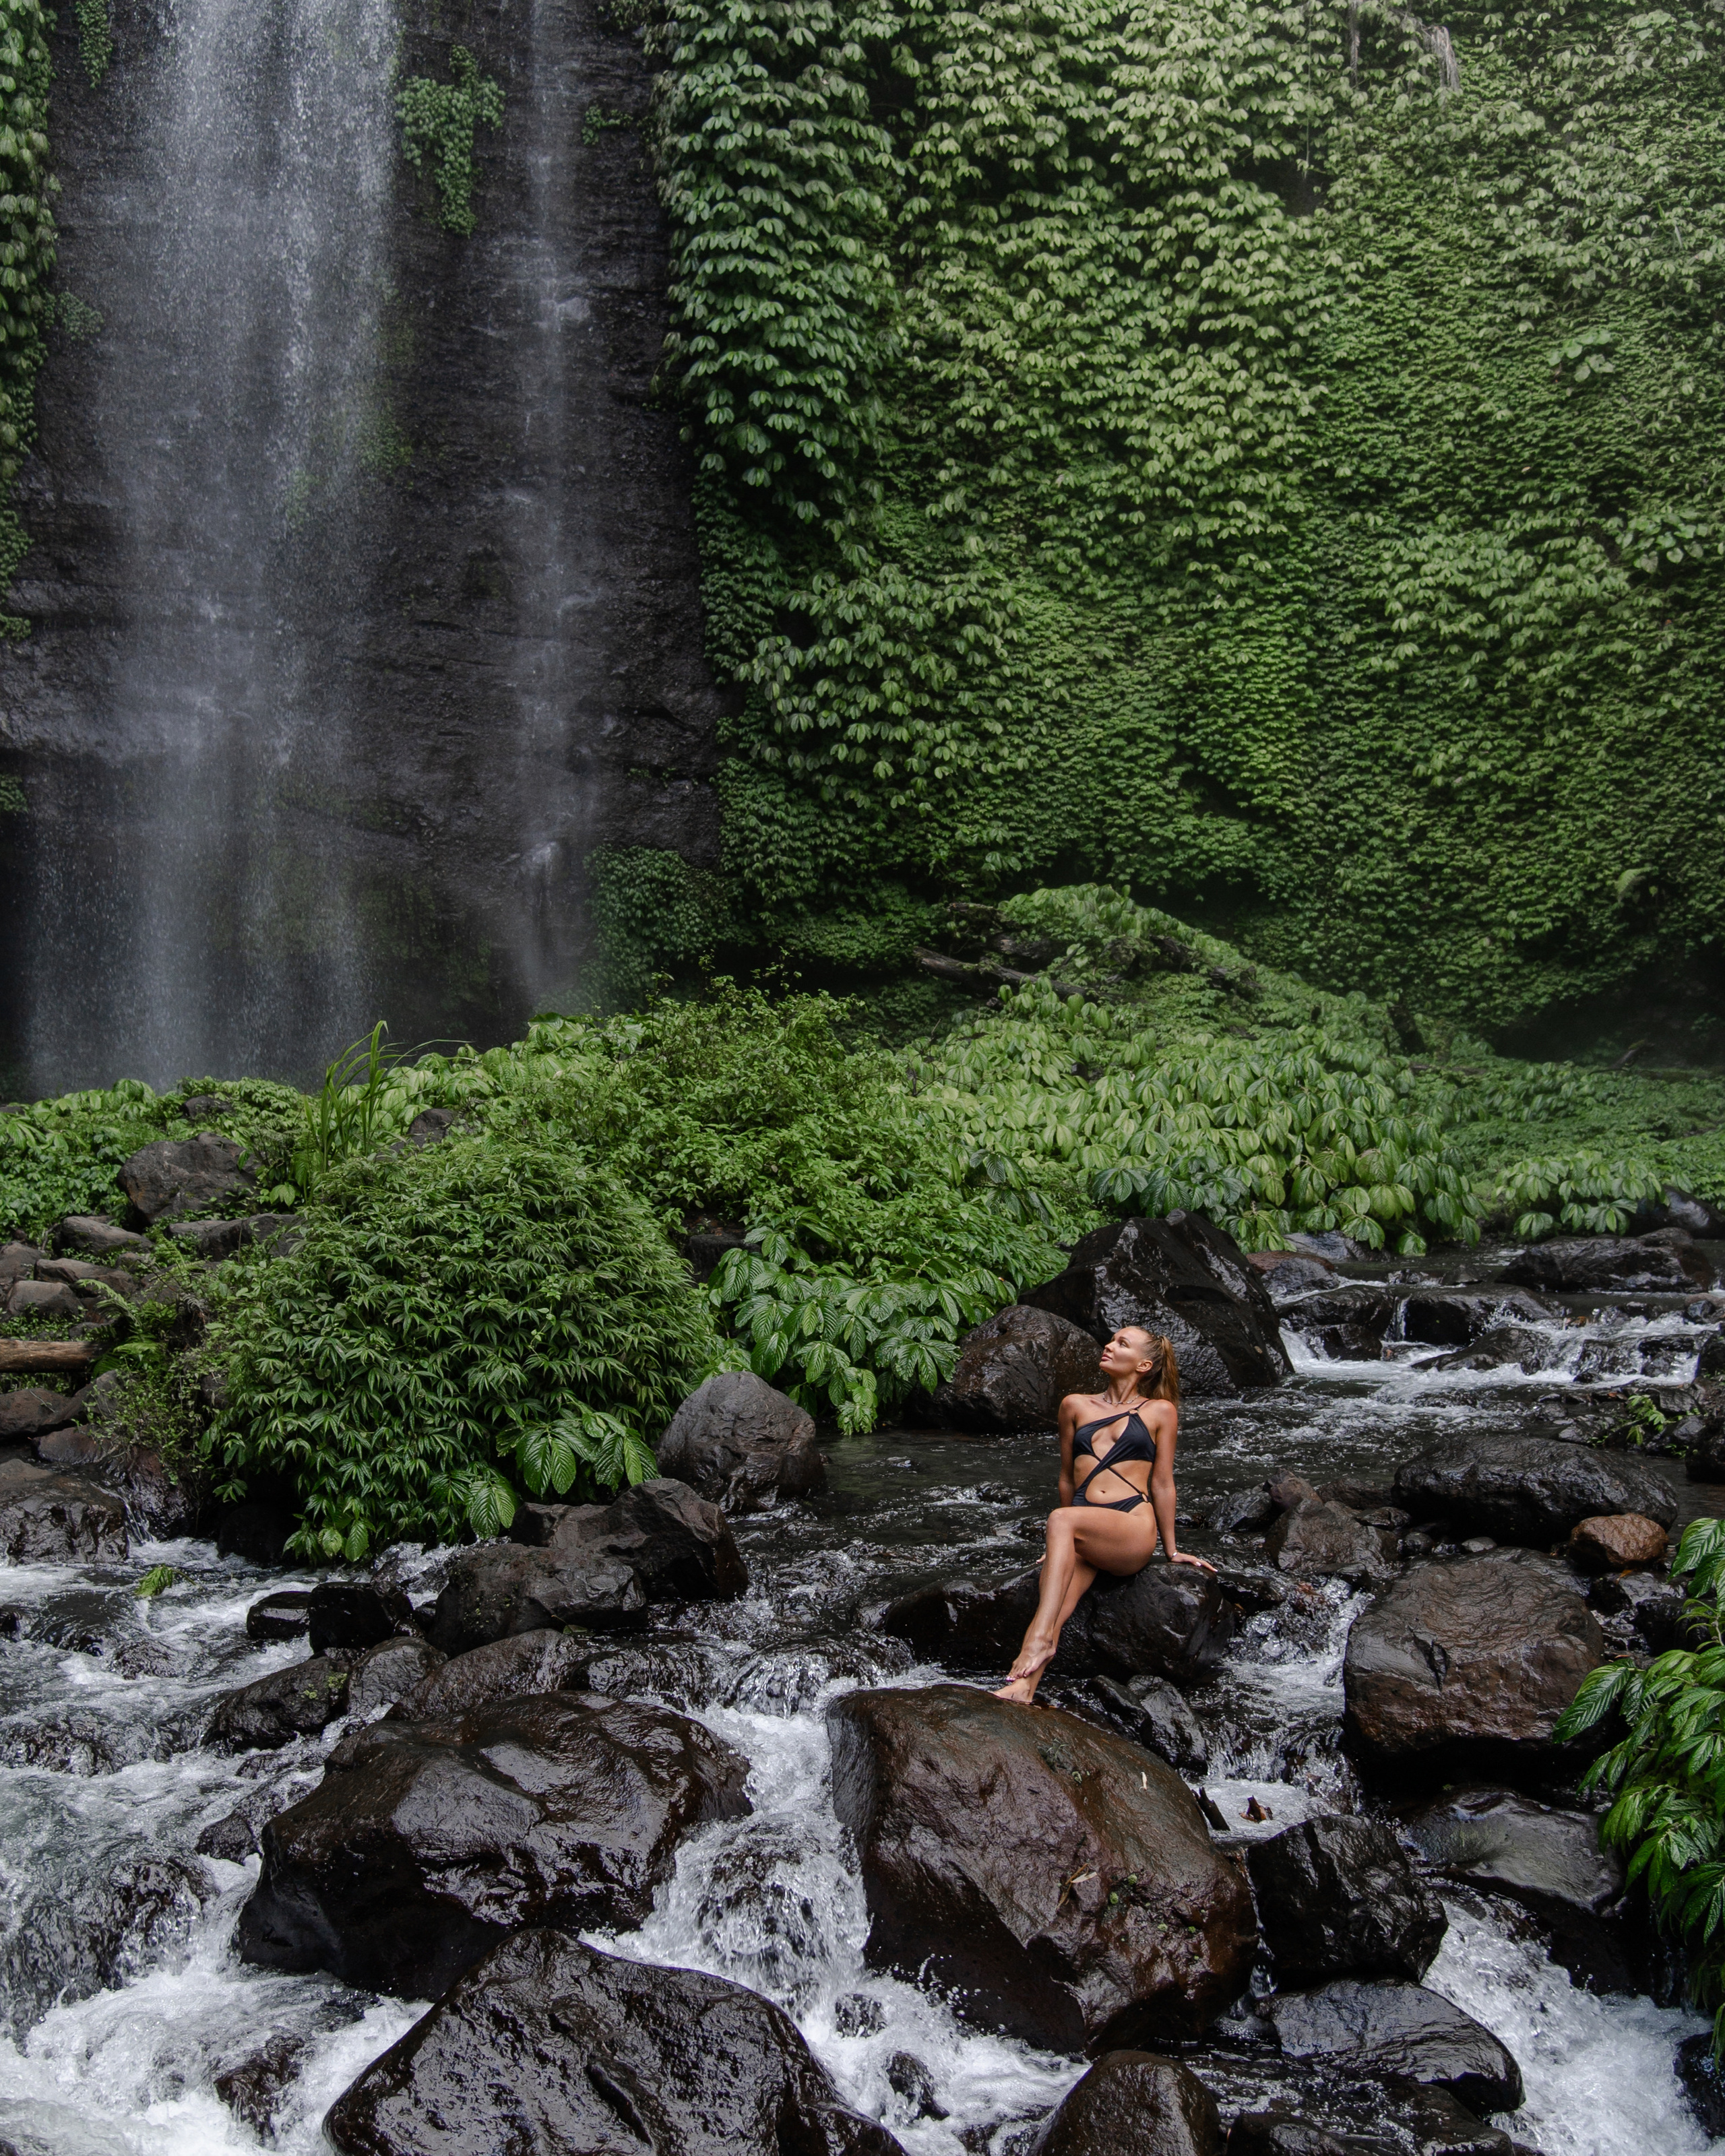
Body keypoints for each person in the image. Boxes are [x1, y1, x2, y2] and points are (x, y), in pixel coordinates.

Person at [993, 1325, 1214, 1705]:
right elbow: (1067, 1477)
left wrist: (1173, 1551)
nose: (1109, 1346)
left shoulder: (1161, 1411)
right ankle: (1023, 1688)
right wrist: (1061, 1545)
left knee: (1061, 1519)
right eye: (1112, 1339)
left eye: (1121, 1344)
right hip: (1086, 1527)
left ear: (1143, 1365)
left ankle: (1038, 1643)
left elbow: (1162, 1484)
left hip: (1131, 1527)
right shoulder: (1074, 1404)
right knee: (1058, 1593)